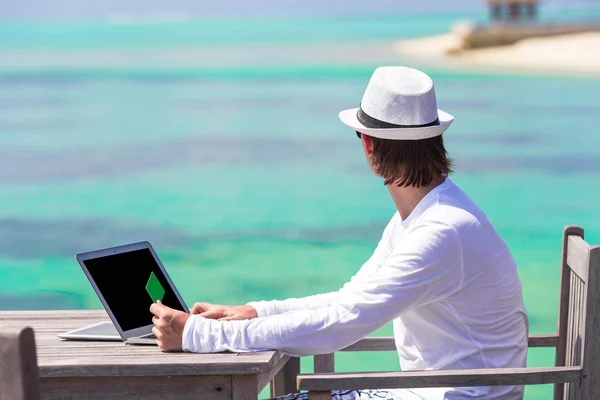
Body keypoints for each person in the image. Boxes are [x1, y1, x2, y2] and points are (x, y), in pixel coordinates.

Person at [149, 66, 529, 400]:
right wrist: (254, 312)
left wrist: (200, 336)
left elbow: (344, 322)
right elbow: (350, 298)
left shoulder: (442, 231)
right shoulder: (425, 217)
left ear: (368, 144)